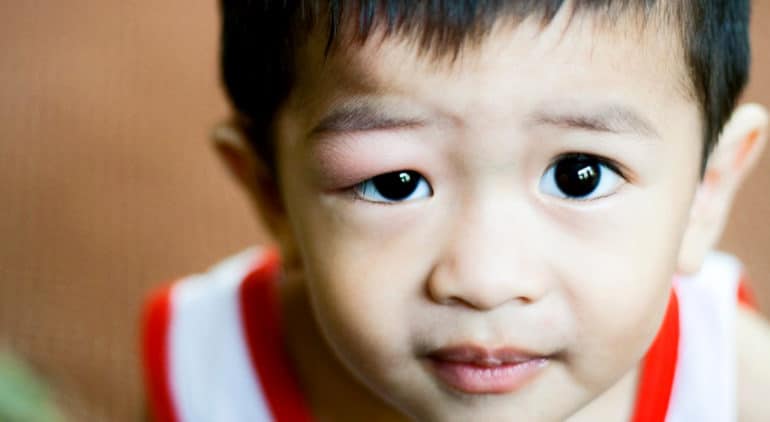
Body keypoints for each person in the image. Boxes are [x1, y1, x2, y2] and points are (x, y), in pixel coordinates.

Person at [141, 1, 770, 420]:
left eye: (579, 176)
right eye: (395, 183)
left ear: (705, 189)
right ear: (269, 191)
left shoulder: (731, 384)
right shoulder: (207, 375)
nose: (486, 280)